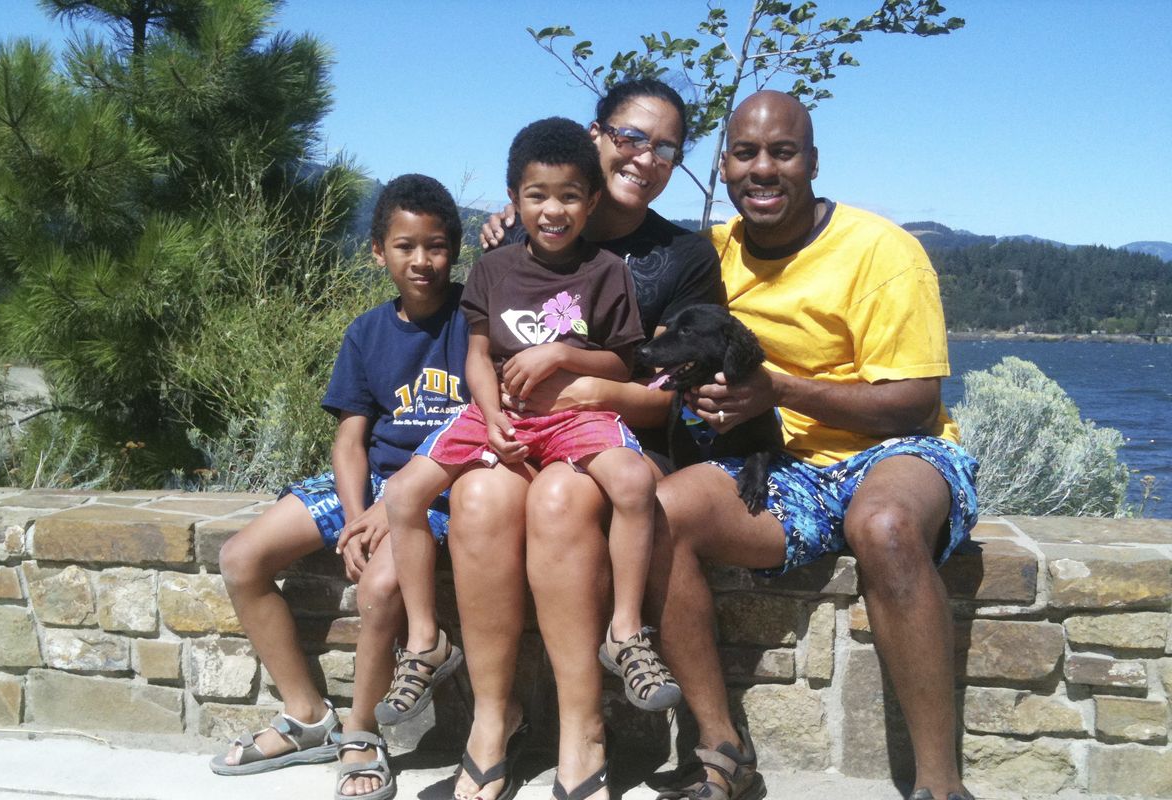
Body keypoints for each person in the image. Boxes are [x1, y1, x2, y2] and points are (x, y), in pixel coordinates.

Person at [647, 90, 980, 800]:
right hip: (782, 466)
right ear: (725, 164)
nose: (762, 169)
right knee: (658, 514)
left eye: (782, 152)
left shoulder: (882, 251)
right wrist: (511, 229)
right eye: (745, 153)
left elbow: (914, 405)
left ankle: (939, 786)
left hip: (893, 451)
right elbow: (600, 265)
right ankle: (722, 753)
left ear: (813, 162)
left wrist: (779, 390)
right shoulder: (709, 254)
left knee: (883, 526)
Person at [448, 79, 722, 800]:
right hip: (517, 431)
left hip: (610, 439)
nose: (647, 157)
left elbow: (671, 402)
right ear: (595, 136)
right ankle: (491, 719)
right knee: (476, 498)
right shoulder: (518, 234)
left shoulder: (683, 255)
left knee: (562, 500)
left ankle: (582, 729)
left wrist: (587, 386)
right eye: (632, 137)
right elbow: (478, 346)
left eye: (667, 147)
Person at [377, 117, 681, 743]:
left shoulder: (604, 272)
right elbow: (476, 354)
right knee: (404, 495)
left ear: (591, 200)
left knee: (629, 480)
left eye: (570, 195)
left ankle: (625, 633)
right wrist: (487, 415)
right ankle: (426, 643)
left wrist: (561, 355)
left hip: (573, 415)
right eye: (537, 195)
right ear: (513, 199)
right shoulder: (493, 269)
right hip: (501, 414)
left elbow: (621, 363)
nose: (553, 209)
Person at [212, 174, 470, 800]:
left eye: (436, 246)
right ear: (378, 251)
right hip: (373, 486)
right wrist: (360, 516)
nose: (422, 261)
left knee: (382, 585)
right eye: (405, 246)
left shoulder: (476, 322)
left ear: (456, 250)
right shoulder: (367, 333)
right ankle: (307, 716)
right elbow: (350, 440)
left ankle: (362, 733)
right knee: (241, 557)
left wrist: (394, 506)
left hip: (440, 492)